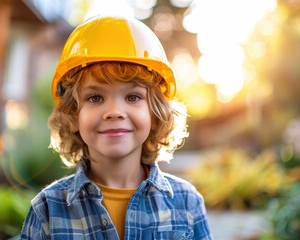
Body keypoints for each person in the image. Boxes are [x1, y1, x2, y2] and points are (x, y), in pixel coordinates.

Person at [20, 15, 212, 240]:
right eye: (95, 98)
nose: (114, 111)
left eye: (132, 97)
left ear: (155, 113)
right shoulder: (47, 210)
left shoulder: (187, 203)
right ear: (73, 115)